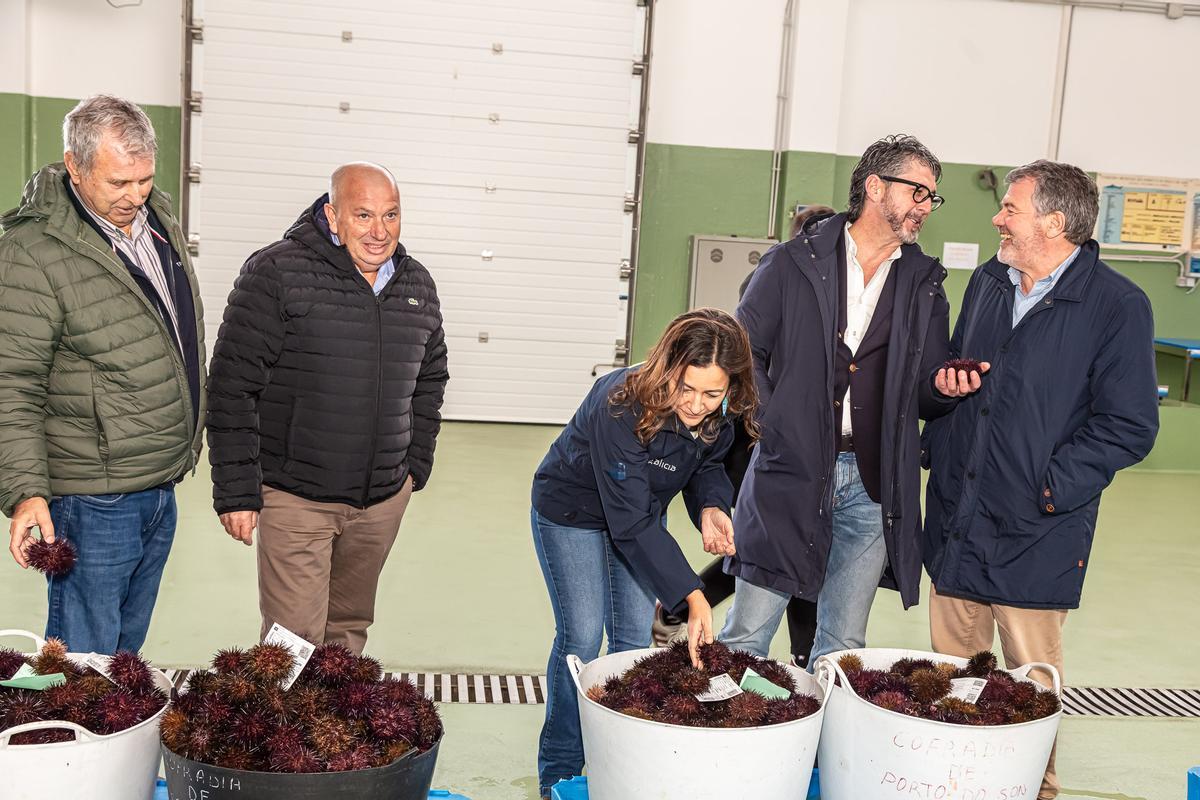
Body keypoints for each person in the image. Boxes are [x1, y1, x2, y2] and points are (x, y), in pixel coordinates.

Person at [921, 160, 1158, 800]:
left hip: (1035, 530)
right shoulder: (989, 282)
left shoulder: (1116, 306)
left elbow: (1130, 426)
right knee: (953, 680)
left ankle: (1034, 790)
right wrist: (944, 410)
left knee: (1029, 686)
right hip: (959, 515)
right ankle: (959, 785)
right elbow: (958, 373)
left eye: (1011, 209)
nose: (997, 218)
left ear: (1053, 222)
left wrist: (1048, 489)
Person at [720, 134, 981, 665]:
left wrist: (942, 388)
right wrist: (773, 424)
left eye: (932, 197)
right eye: (917, 192)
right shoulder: (790, 263)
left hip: (873, 485)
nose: (926, 206)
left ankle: (824, 723)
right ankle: (732, 719)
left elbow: (924, 389)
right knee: (746, 638)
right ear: (875, 187)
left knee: (841, 646)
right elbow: (742, 353)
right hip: (789, 470)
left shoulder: (925, 284)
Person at [206, 162, 448, 653]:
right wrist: (236, 492)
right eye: (363, 215)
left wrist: (413, 467)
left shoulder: (416, 284)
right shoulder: (277, 272)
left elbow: (430, 379)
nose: (379, 232)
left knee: (348, 633)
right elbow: (232, 385)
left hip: (381, 501)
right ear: (333, 216)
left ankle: (338, 710)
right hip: (297, 497)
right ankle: (285, 710)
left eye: (391, 215)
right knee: (293, 643)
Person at [0, 95, 206, 653]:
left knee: (123, 657)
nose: (134, 196)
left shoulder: (157, 218)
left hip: (158, 482)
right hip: (92, 497)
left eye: (144, 179)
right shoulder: (30, 252)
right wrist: (26, 492)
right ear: (75, 165)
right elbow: (12, 384)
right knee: (83, 661)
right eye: (118, 183)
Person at [530, 308, 757, 798]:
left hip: (640, 514)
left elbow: (707, 464)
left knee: (632, 641)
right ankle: (561, 772)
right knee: (581, 636)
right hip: (573, 512)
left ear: (730, 387)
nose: (696, 405)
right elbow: (629, 521)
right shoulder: (621, 401)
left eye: (711, 394)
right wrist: (693, 594)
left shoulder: (723, 410)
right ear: (668, 368)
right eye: (686, 389)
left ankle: (619, 762)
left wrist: (712, 507)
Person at [652, 204, 835, 668]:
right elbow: (749, 359)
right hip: (754, 441)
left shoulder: (839, 295)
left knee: (793, 550)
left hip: (807, 446)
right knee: (758, 550)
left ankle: (800, 653)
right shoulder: (772, 279)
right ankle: (678, 608)